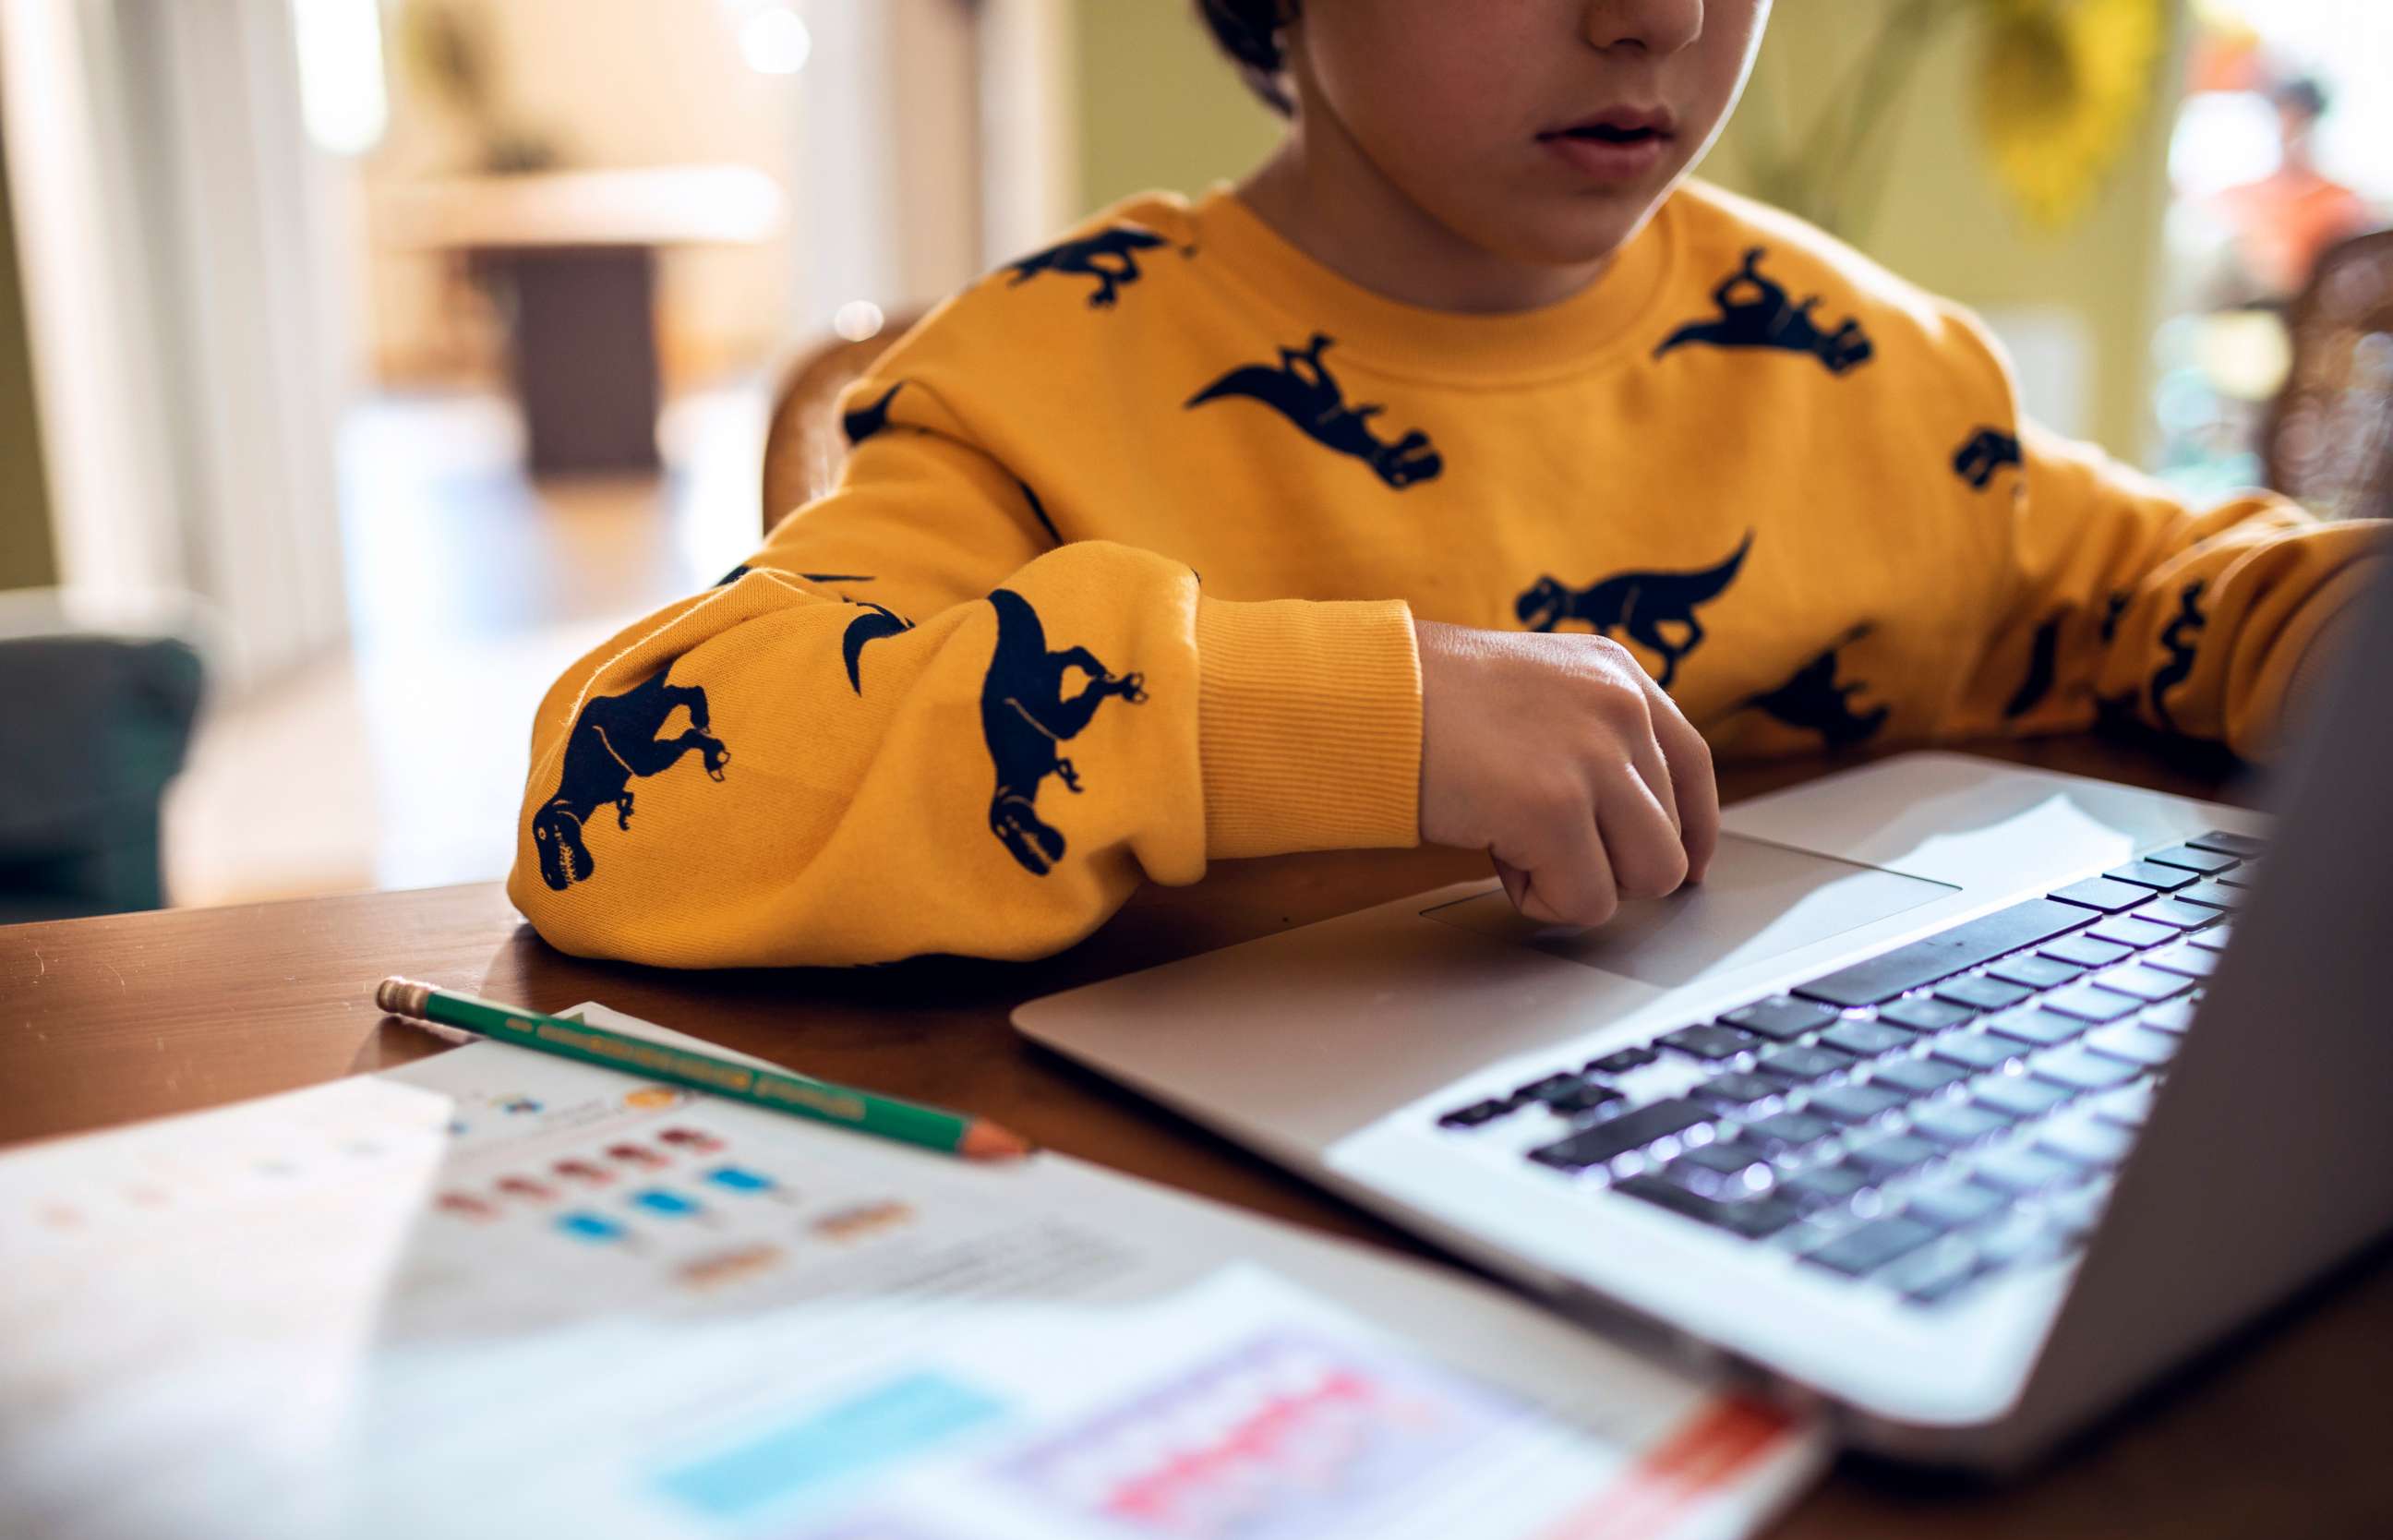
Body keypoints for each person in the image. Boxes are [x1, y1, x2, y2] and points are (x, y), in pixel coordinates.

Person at [510, 0, 2381, 969]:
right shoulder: (1044, 382)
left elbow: (2199, 591)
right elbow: (637, 786)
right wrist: (1355, 716)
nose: (1652, 11)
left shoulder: (1879, 370)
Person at [2215, 76, 2372, 305]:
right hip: (2248, 309)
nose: (2291, 133)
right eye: (2285, 119)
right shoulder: (2240, 196)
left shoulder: (2341, 201)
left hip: (2315, 310)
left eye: (2300, 122)